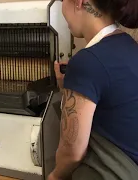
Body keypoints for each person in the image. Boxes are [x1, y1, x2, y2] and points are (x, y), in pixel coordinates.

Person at [48, 0, 138, 180]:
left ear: (80, 2)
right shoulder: (130, 45)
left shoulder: (87, 62)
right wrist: (72, 85)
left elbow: (72, 152)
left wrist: (55, 176)